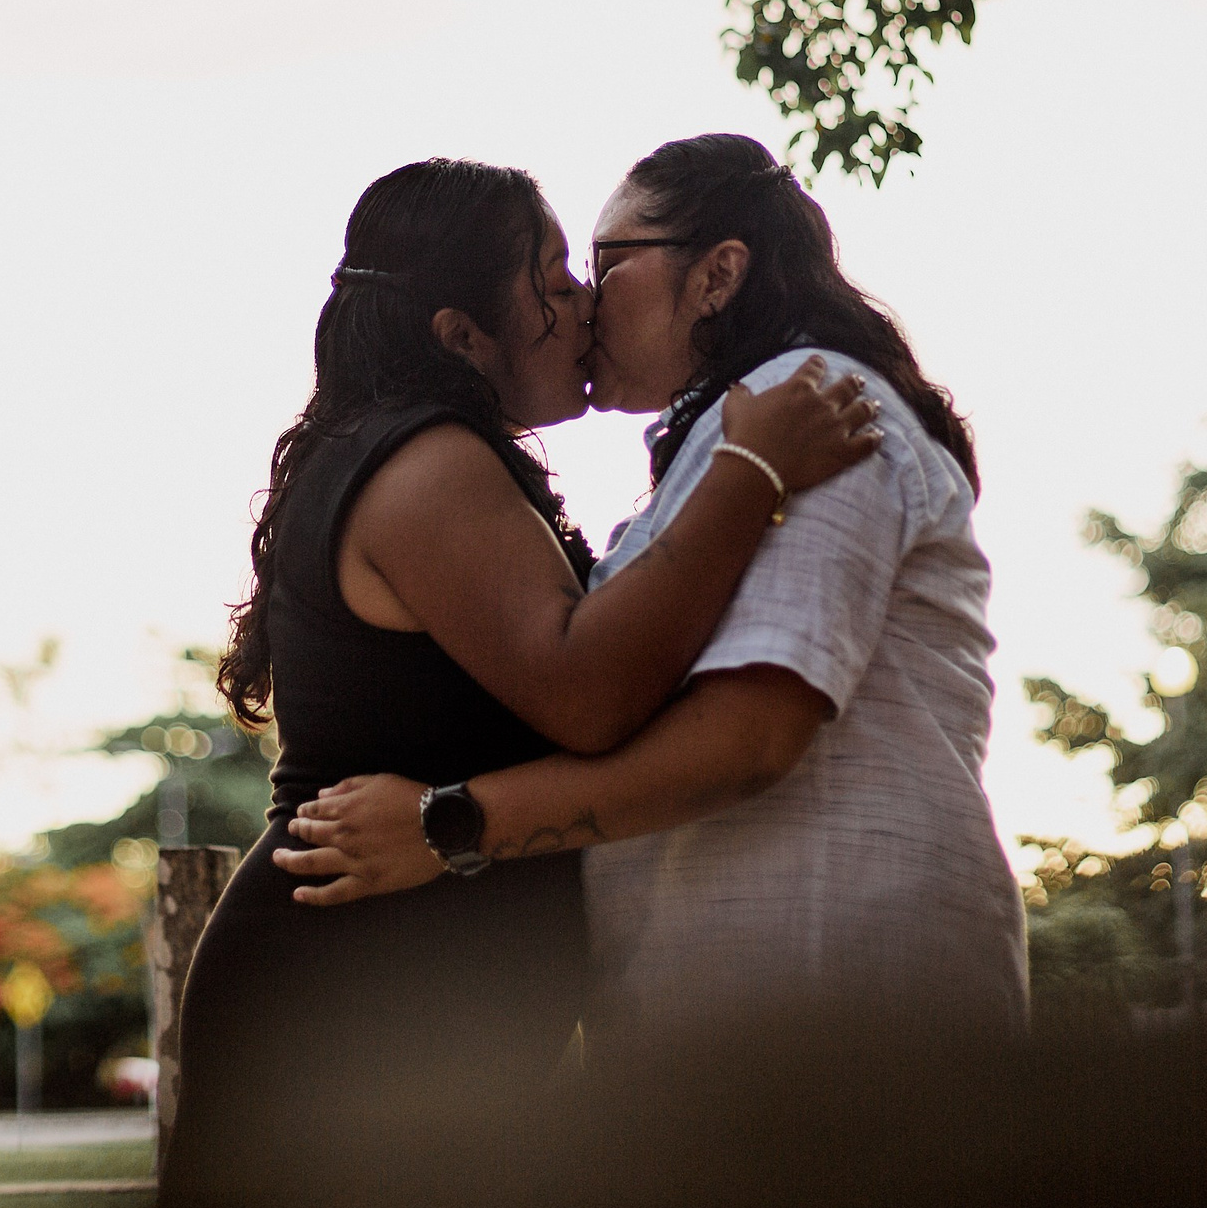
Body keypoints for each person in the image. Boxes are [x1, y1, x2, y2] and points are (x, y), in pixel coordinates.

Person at [154, 157, 882, 1208]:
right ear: (462, 333)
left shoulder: (418, 448)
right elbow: (587, 693)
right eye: (551, 280)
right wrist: (749, 470)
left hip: (402, 1006)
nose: (582, 301)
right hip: (354, 1005)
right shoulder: (425, 464)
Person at [277, 134, 1028, 1061]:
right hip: (740, 1038)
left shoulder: (807, 408)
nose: (585, 300)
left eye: (604, 263)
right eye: (564, 276)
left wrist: (446, 824)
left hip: (835, 1008)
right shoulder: (738, 444)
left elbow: (747, 737)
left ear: (716, 277)